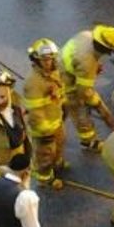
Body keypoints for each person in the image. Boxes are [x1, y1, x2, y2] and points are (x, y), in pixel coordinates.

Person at [61, 24, 114, 153]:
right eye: (112, 50)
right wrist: (98, 105)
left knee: (62, 107)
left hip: (65, 65)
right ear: (105, 48)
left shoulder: (86, 35)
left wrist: (95, 65)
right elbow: (84, 92)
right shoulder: (87, 62)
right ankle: (88, 141)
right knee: (80, 108)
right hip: (66, 80)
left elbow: (83, 58)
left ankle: (57, 124)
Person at [21, 38, 67, 188]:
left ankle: (57, 164)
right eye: (45, 60)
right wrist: (45, 132)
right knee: (45, 154)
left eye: (51, 59)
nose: (49, 63)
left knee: (59, 145)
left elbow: (60, 94)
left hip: (56, 120)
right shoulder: (33, 83)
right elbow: (35, 112)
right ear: (36, 60)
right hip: (43, 129)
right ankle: (45, 178)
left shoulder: (54, 74)